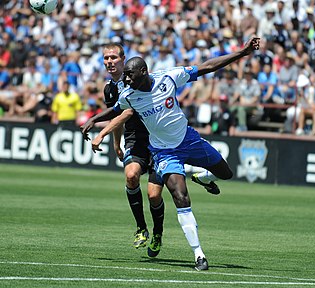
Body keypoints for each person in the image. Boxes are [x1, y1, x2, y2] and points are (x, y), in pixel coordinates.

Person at [89, 36, 260, 271]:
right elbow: (115, 111)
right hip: (164, 152)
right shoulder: (129, 95)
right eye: (125, 76)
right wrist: (93, 121)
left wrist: (242, 52)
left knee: (226, 173)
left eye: (130, 75)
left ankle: (203, 177)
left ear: (143, 72)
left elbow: (207, 66)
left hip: (189, 140)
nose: (126, 80)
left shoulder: (169, 77)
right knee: (180, 197)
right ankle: (199, 255)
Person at [80, 43, 165, 258]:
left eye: (113, 58)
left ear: (123, 58)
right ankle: (141, 227)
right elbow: (116, 117)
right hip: (135, 138)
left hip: (158, 137)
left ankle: (157, 233)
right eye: (106, 58)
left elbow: (126, 113)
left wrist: (101, 134)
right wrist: (116, 144)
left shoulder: (136, 79)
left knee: (154, 195)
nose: (109, 62)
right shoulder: (110, 89)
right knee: (131, 176)